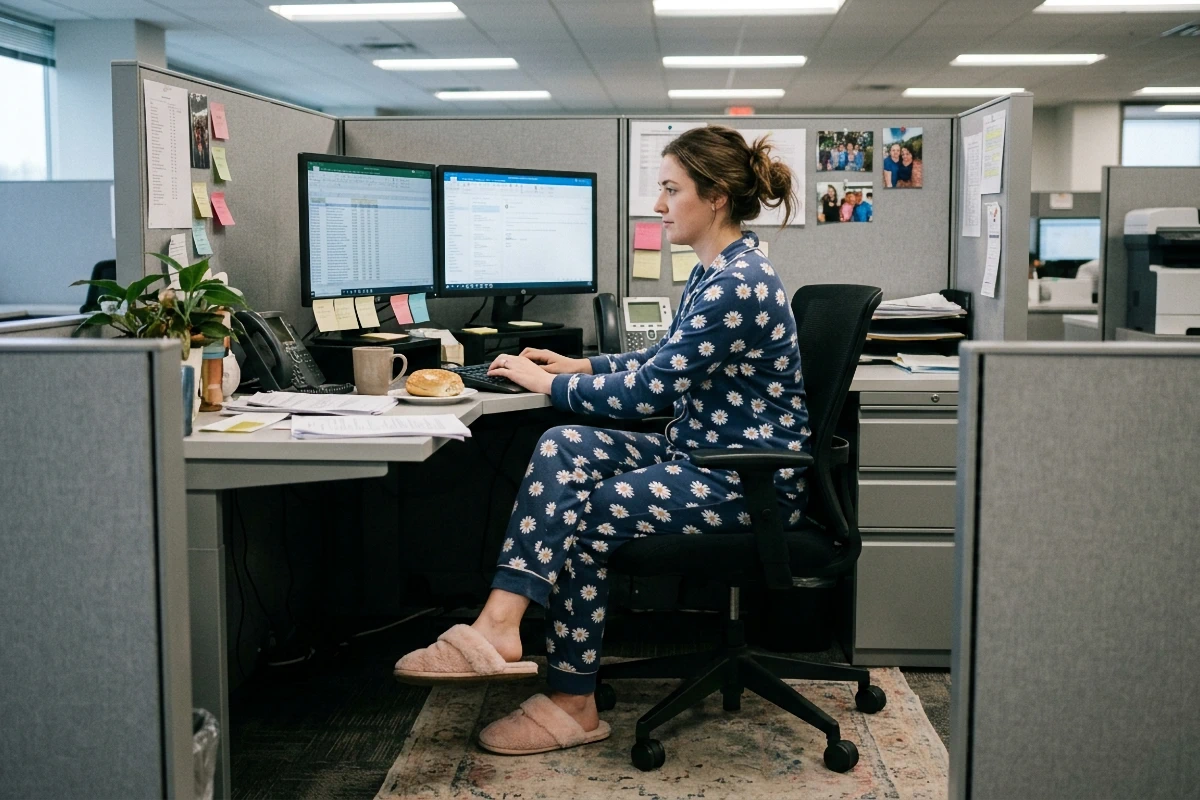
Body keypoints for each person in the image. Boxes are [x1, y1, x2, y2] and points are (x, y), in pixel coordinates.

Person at [393, 124, 811, 756]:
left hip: (745, 479)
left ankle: (572, 700)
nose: (659, 204)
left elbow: (648, 396)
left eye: (672, 189)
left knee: (589, 511)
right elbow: (664, 361)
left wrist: (544, 381)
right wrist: (580, 368)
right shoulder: (718, 268)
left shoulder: (738, 284)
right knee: (565, 444)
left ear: (717, 196)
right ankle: (502, 625)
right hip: (700, 450)